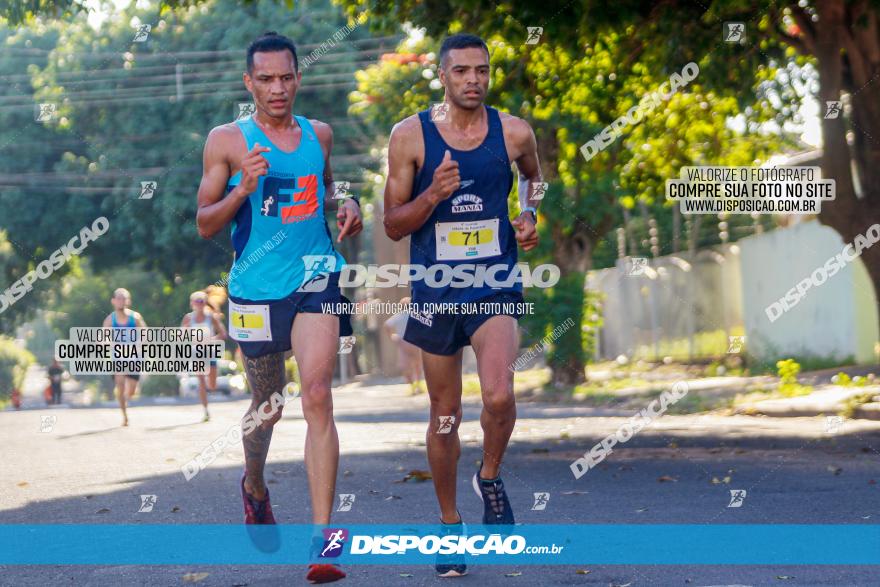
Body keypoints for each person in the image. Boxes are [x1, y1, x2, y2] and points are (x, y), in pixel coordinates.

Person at [195, 31, 362, 585]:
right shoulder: (226, 140)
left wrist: (349, 204)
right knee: (268, 405)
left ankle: (325, 543)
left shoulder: (320, 134)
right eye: (265, 79)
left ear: (298, 77)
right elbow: (204, 221)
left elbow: (328, 188)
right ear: (249, 83)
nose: (277, 88)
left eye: (286, 77)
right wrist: (243, 189)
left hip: (316, 276)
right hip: (256, 288)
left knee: (316, 395)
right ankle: (255, 485)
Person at [383, 33, 543, 577]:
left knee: (498, 395)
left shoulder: (515, 132)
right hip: (434, 289)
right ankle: (450, 527)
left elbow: (535, 181)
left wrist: (530, 215)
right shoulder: (411, 137)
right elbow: (393, 222)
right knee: (445, 415)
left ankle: (490, 475)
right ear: (443, 76)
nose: (472, 80)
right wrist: (433, 195)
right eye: (461, 71)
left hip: (494, 281)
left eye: (481, 70)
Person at [102, 288, 147, 427]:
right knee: (120, 384)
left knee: (131, 391)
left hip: (134, 357)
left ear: (128, 301)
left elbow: (145, 334)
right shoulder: (110, 319)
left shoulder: (135, 318)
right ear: (113, 301)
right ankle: (125, 416)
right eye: (119, 298)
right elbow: (104, 336)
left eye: (124, 298)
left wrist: (140, 343)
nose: (121, 301)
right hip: (118, 358)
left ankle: (126, 399)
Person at [181, 291, 228, 422]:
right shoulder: (188, 318)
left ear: (205, 304)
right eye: (197, 302)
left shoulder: (211, 317)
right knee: (201, 380)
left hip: (210, 352)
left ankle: (210, 392)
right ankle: (206, 411)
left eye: (202, 302)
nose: (199, 304)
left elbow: (223, 334)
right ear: (192, 304)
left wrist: (211, 338)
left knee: (212, 385)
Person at [383, 297, 423, 394]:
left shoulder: (399, 316)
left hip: (403, 343)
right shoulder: (417, 315)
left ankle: (412, 386)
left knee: (406, 366)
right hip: (415, 342)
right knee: (417, 364)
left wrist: (392, 336)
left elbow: (386, 325)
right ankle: (417, 385)